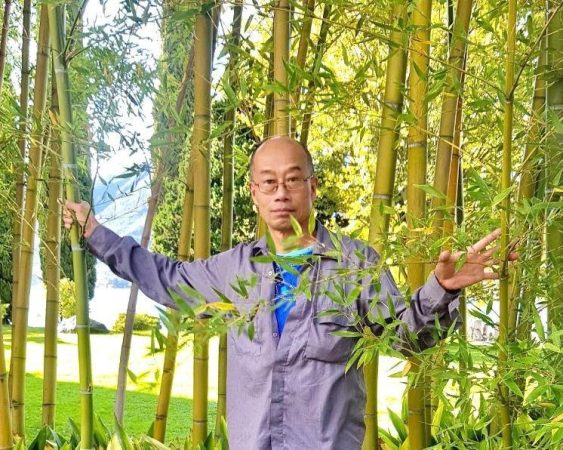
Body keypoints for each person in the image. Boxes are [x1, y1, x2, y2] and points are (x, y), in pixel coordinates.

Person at [64, 136, 516, 450]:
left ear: (312, 187)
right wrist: (96, 232)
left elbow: (407, 339)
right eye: (269, 182)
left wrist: (442, 288)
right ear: (255, 193)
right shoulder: (234, 270)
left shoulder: (355, 264)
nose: (281, 192)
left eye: (293, 179)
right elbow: (169, 279)